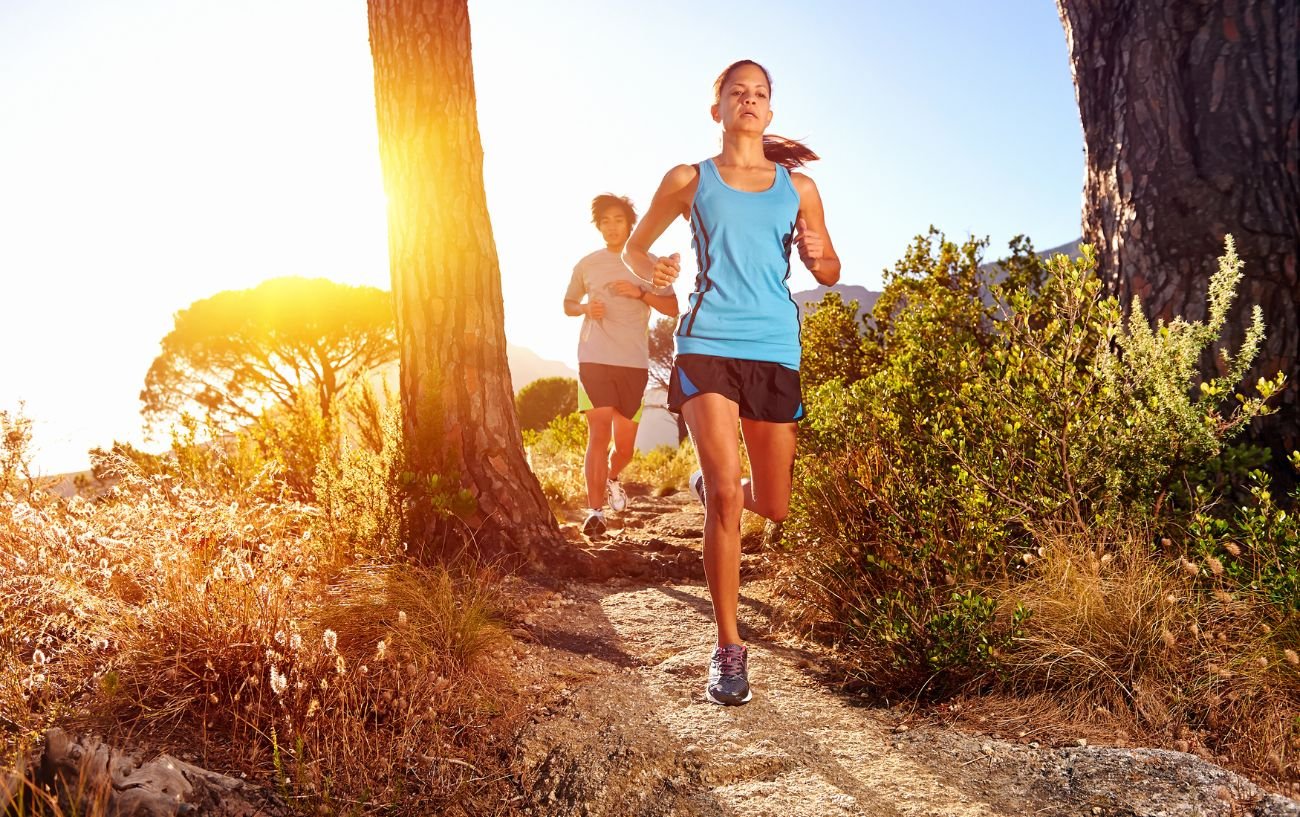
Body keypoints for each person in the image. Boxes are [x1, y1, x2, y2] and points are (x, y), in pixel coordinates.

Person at [622, 60, 841, 706]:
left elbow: (828, 266)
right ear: (716, 109)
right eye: (736, 93)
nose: (748, 101)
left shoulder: (797, 188)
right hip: (707, 343)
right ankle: (727, 647)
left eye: (759, 94)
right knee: (725, 493)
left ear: (769, 112)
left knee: (771, 503)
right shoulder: (690, 180)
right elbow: (635, 249)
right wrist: (654, 268)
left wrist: (817, 255)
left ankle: (710, 488)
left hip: (774, 348)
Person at [564, 193, 679, 537]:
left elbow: (672, 307)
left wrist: (639, 292)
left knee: (625, 448)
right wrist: (586, 309)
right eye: (605, 222)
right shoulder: (587, 264)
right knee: (598, 435)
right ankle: (595, 512)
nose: (612, 227)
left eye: (618, 220)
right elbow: (568, 303)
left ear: (631, 224)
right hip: (594, 356)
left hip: (633, 362)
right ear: (598, 226)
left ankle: (613, 479)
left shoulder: (649, 262)